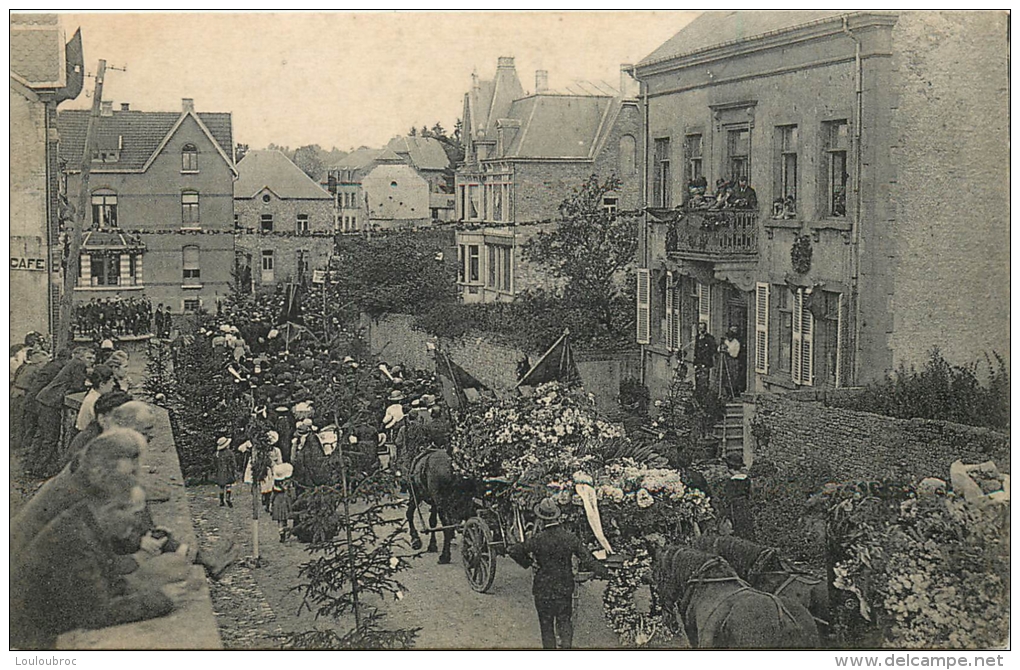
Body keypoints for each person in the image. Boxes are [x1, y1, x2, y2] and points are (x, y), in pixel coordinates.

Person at [11, 484, 178, 650]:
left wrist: (148, 587)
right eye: (136, 513)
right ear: (111, 508)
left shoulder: (88, 522)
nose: (138, 523)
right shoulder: (77, 539)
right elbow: (96, 613)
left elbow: (110, 580)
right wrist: (162, 597)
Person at [508, 497, 608, 649]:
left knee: (546, 626)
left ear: (541, 518)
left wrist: (528, 563)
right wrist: (606, 573)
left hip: (543, 589)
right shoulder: (569, 538)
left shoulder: (538, 539)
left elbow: (513, 550)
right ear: (557, 517)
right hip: (564, 587)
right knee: (564, 622)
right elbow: (588, 560)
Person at [29, 347, 96, 477]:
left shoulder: (73, 363)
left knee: (41, 435)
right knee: (50, 437)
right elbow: (78, 386)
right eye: (88, 358)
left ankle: (31, 465)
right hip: (50, 403)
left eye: (93, 358)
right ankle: (40, 469)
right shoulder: (78, 364)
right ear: (80, 357)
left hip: (44, 398)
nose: (91, 361)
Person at [75, 365, 117, 433]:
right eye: (111, 382)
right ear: (102, 384)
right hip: (86, 435)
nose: (114, 384)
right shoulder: (94, 400)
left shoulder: (94, 393)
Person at [271, 463, 295, 542]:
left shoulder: (275, 485)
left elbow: (273, 495)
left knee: (280, 520)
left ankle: (281, 533)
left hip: (277, 502)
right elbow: (292, 494)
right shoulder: (288, 485)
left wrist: (271, 503)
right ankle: (285, 530)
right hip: (285, 501)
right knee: (284, 518)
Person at [719, 326, 744, 398]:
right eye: (728, 337)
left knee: (733, 377)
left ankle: (733, 393)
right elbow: (719, 349)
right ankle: (726, 393)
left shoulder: (736, 343)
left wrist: (727, 350)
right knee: (725, 376)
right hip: (725, 360)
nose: (729, 339)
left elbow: (735, 354)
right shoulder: (726, 341)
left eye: (731, 337)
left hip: (733, 361)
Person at [693, 322, 717, 396]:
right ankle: (698, 394)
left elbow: (713, 350)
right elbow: (696, 350)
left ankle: (704, 394)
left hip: (705, 363)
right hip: (698, 362)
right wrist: (695, 362)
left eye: (702, 328)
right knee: (697, 378)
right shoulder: (697, 337)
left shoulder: (709, 338)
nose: (701, 330)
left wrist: (706, 361)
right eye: (699, 328)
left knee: (704, 379)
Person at [214, 436, 237, 508]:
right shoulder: (229, 453)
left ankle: (221, 501)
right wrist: (234, 470)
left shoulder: (217, 454)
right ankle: (228, 498)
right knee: (228, 485)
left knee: (221, 486)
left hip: (220, 471)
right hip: (228, 471)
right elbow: (233, 463)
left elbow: (214, 463)